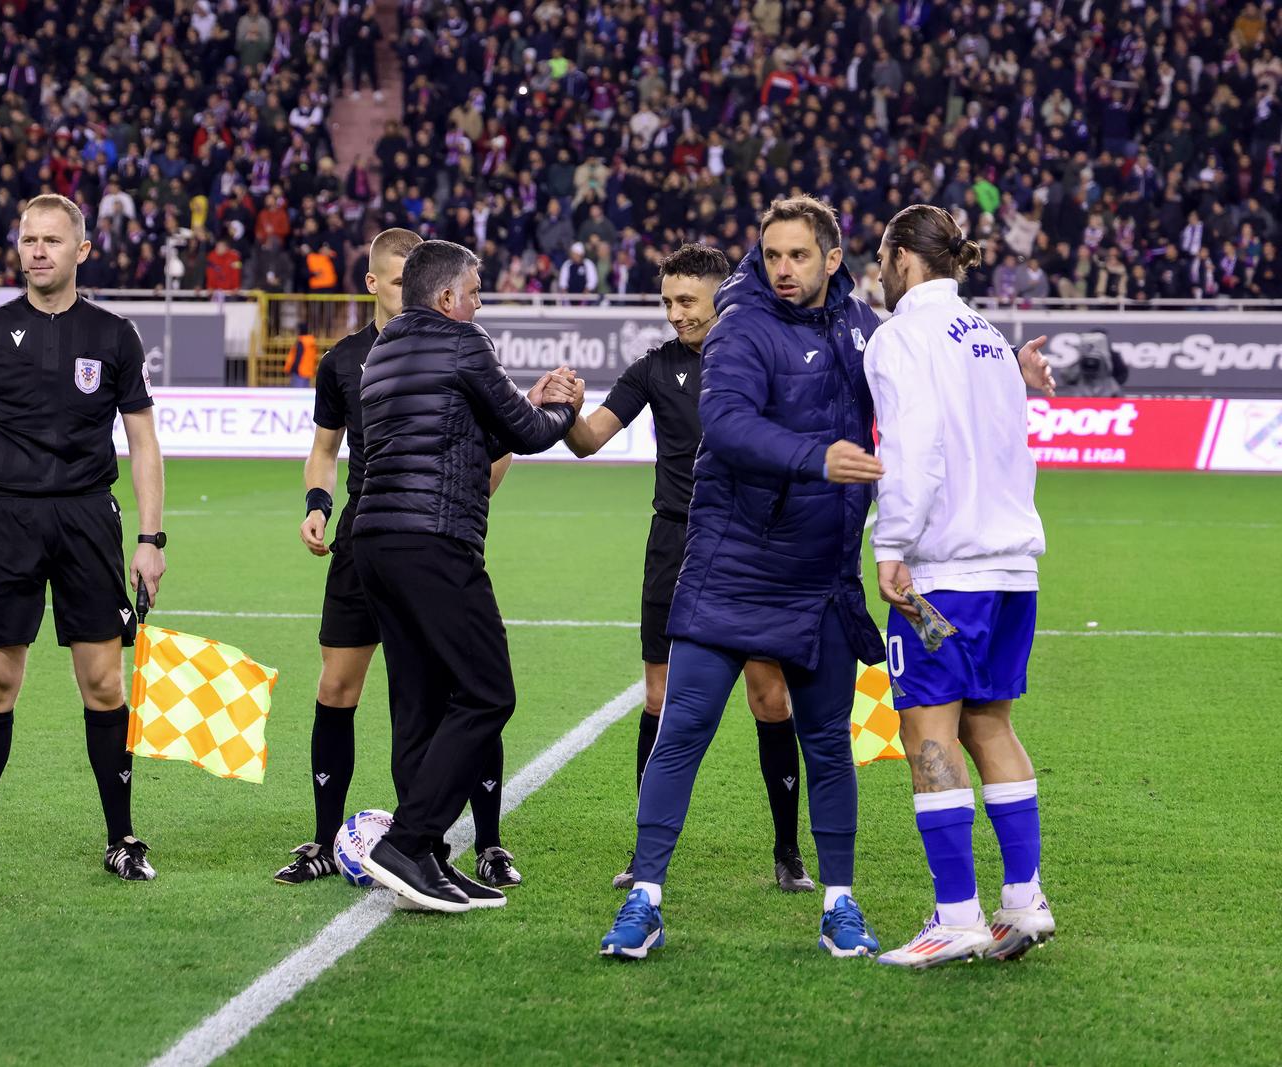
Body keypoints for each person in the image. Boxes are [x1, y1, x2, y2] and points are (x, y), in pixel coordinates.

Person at [598, 197, 888, 960]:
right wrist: (815, 456)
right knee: (681, 732)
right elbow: (725, 423)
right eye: (772, 254)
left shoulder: (864, 329)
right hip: (730, 567)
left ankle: (839, 903)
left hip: (819, 574)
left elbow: (922, 392)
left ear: (832, 258)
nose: (781, 268)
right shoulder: (742, 325)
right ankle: (646, 898)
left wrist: (1009, 378)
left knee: (828, 741)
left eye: (797, 255)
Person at [0, 193, 169, 883]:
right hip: (6, 518)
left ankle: (123, 836)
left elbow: (143, 443)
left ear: (81, 251)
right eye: (29, 239)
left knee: (102, 681)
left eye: (52, 240)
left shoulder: (114, 334)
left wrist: (151, 537)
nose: (38, 250)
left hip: (89, 517)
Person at [565, 243, 815, 894]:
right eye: (668, 301)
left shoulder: (767, 357)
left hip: (752, 545)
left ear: (721, 296)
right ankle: (646, 851)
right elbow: (590, 438)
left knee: (769, 696)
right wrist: (564, 412)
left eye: (687, 301)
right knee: (658, 697)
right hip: (673, 543)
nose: (675, 314)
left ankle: (788, 850)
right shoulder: (655, 368)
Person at [276, 228, 521, 889]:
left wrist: (465, 492)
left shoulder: (453, 349)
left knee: (455, 688)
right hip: (366, 534)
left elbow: (499, 441)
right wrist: (318, 502)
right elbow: (325, 447)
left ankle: (488, 841)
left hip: (429, 532)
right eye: (394, 276)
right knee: (339, 685)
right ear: (375, 284)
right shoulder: (346, 360)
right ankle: (329, 838)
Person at [352, 240, 582, 912]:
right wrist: (562, 405)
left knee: (418, 699)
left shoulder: (386, 348)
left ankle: (425, 857)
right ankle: (409, 838)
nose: (480, 303)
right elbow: (529, 433)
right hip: (435, 539)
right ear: (448, 298)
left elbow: (457, 435)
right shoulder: (463, 340)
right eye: (476, 291)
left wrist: (525, 403)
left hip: (377, 539)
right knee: (487, 691)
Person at [866, 204, 1055, 967]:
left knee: (927, 734)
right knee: (991, 727)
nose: (878, 269)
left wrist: (892, 543)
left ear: (904, 256)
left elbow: (913, 444)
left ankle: (956, 915)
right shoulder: (986, 337)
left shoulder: (900, 336)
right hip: (1012, 569)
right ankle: (1023, 902)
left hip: (944, 573)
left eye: (882, 254)